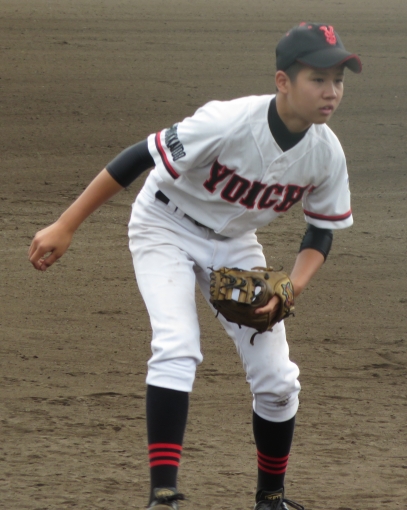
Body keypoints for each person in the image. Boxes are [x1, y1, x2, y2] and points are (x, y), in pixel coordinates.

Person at [28, 22, 362, 510]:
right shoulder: (227, 121)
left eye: (338, 80)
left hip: (235, 243)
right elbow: (139, 156)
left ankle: (271, 498)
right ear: (283, 81)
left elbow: (320, 231)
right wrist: (66, 224)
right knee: (177, 345)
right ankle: (163, 496)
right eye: (318, 79)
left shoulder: (326, 153)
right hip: (165, 224)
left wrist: (290, 288)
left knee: (278, 379)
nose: (331, 92)